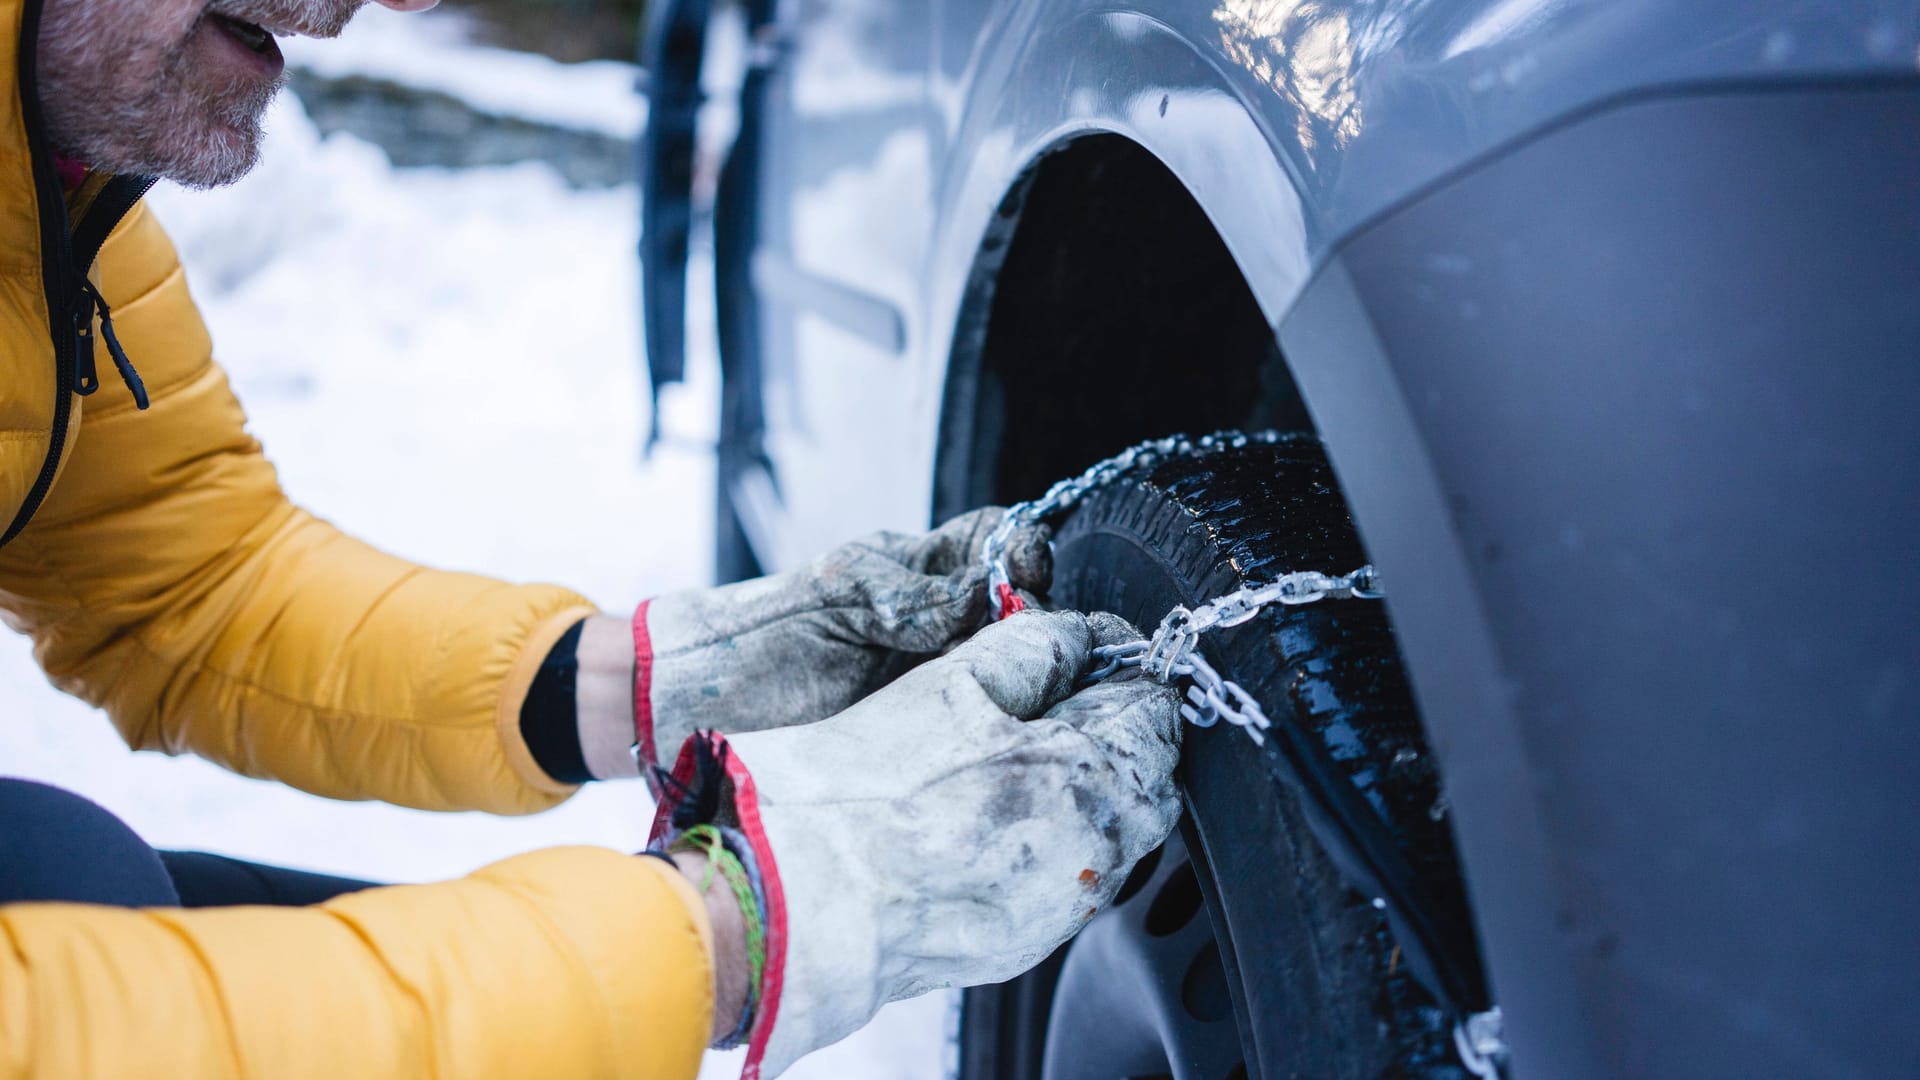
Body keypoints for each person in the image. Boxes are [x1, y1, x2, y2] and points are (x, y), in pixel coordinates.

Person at [0, 0, 1186, 1076]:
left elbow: (185, 586)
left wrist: (651, 680)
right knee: (81, 880)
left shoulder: (46, 196)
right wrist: (733, 930)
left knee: (69, 866)